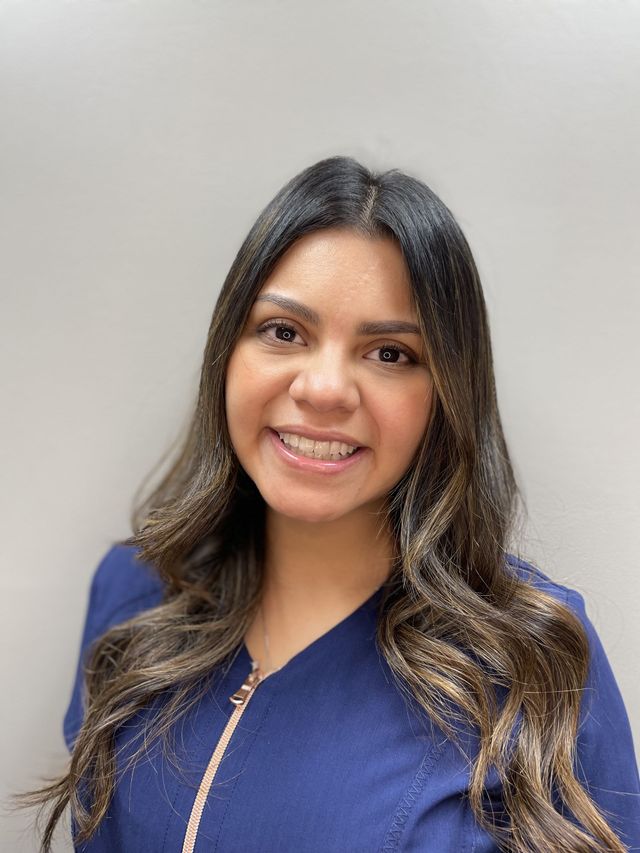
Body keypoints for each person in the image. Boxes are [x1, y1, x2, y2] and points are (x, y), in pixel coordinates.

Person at [23, 156, 639, 852]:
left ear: (446, 396)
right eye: (284, 332)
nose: (323, 389)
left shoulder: (537, 656)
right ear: (227, 353)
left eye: (390, 353)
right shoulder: (133, 597)